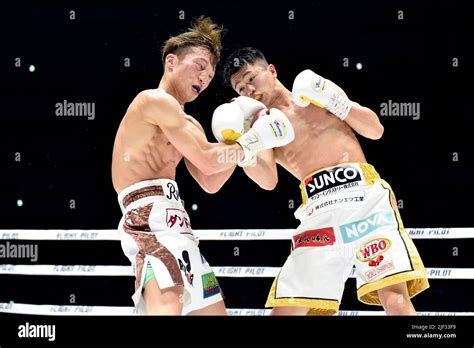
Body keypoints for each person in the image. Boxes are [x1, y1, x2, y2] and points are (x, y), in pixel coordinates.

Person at [217, 47, 429, 315]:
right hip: (318, 214)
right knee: (286, 310)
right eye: (240, 89)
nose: (248, 89)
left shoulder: (315, 92)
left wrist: (334, 100)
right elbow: (267, 181)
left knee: (394, 299)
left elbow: (375, 130)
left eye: (250, 78)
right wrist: (245, 147)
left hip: (365, 201)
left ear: (271, 70)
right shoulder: (262, 127)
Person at [111, 21, 294, 315]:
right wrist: (255, 139)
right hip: (150, 220)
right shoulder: (152, 101)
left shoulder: (190, 124)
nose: (204, 78)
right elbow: (209, 159)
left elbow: (210, 179)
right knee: (167, 306)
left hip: (179, 226)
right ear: (171, 62)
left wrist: (246, 138)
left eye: (209, 75)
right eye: (198, 66)